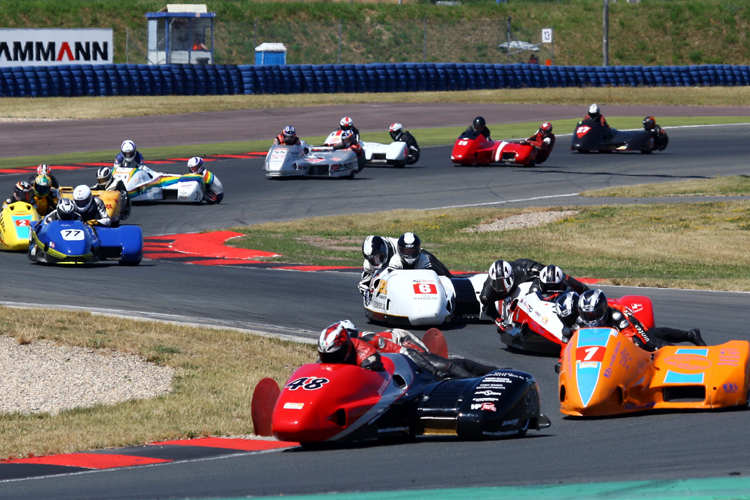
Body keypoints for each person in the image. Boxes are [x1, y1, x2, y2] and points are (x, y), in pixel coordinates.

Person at [572, 289, 706, 351]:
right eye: (587, 314)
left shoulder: (616, 316)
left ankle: (681, 356)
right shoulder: (580, 322)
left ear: (603, 309)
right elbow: (570, 345)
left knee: (650, 342)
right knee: (653, 332)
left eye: (594, 314)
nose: (591, 318)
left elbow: (628, 337)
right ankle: (690, 335)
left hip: (628, 325)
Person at [358, 327, 498, 378]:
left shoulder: (369, 338)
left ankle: (480, 380)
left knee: (444, 366)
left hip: (401, 342)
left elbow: (405, 352)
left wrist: (434, 371)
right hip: (395, 357)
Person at [385, 232, 452, 277]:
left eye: (412, 251)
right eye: (406, 251)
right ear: (400, 250)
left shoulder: (423, 258)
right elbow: (390, 278)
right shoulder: (395, 260)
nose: (409, 254)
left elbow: (429, 277)